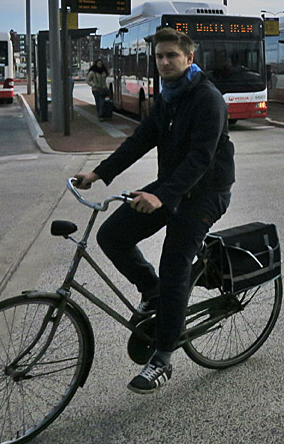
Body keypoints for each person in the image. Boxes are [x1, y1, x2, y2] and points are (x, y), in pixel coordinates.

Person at [71, 27, 234, 394]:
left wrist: (163, 196)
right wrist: (100, 173)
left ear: (189, 58)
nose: (163, 62)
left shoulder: (208, 99)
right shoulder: (168, 97)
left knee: (175, 262)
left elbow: (201, 159)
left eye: (171, 56)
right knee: (112, 234)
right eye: (159, 56)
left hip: (206, 191)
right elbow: (142, 139)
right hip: (174, 185)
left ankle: (163, 357)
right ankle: (153, 291)